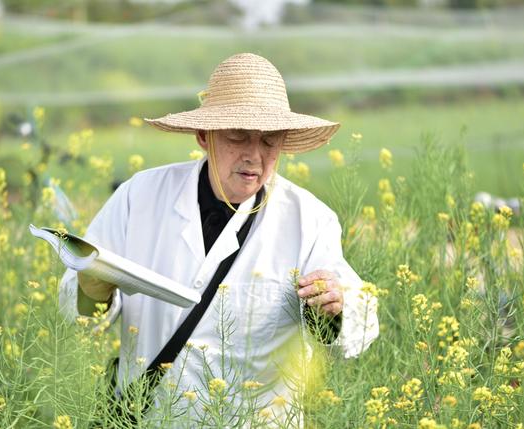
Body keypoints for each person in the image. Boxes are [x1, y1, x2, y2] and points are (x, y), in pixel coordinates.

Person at [59, 53, 379, 424]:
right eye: (238, 136)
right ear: (203, 135)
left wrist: (334, 308)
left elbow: (358, 327)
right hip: (152, 418)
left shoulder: (310, 220)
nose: (254, 156)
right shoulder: (139, 197)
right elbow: (77, 313)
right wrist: (93, 289)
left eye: (269, 141)